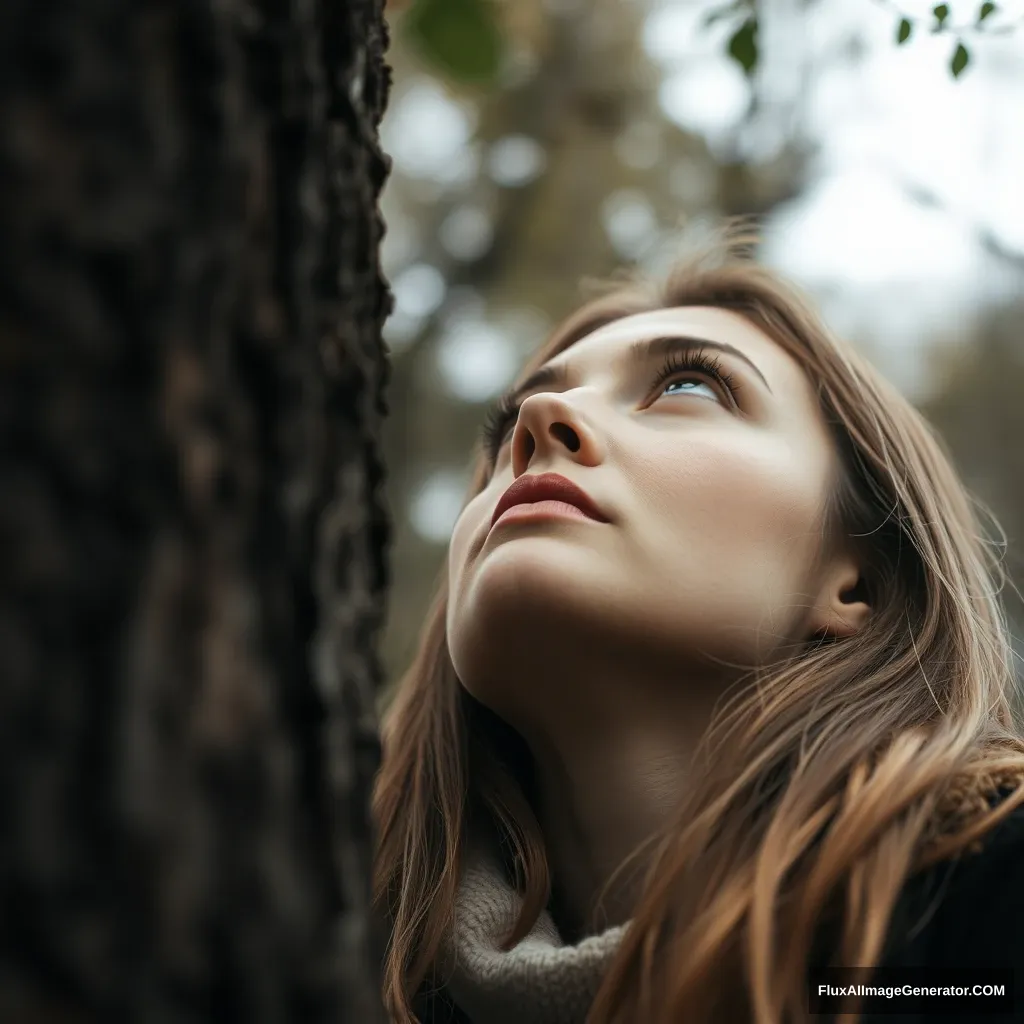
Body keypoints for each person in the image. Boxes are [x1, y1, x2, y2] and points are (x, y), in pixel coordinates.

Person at [372, 228, 1024, 1024]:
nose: (540, 419)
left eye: (688, 389)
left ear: (858, 582)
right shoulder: (290, 940)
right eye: (501, 428)